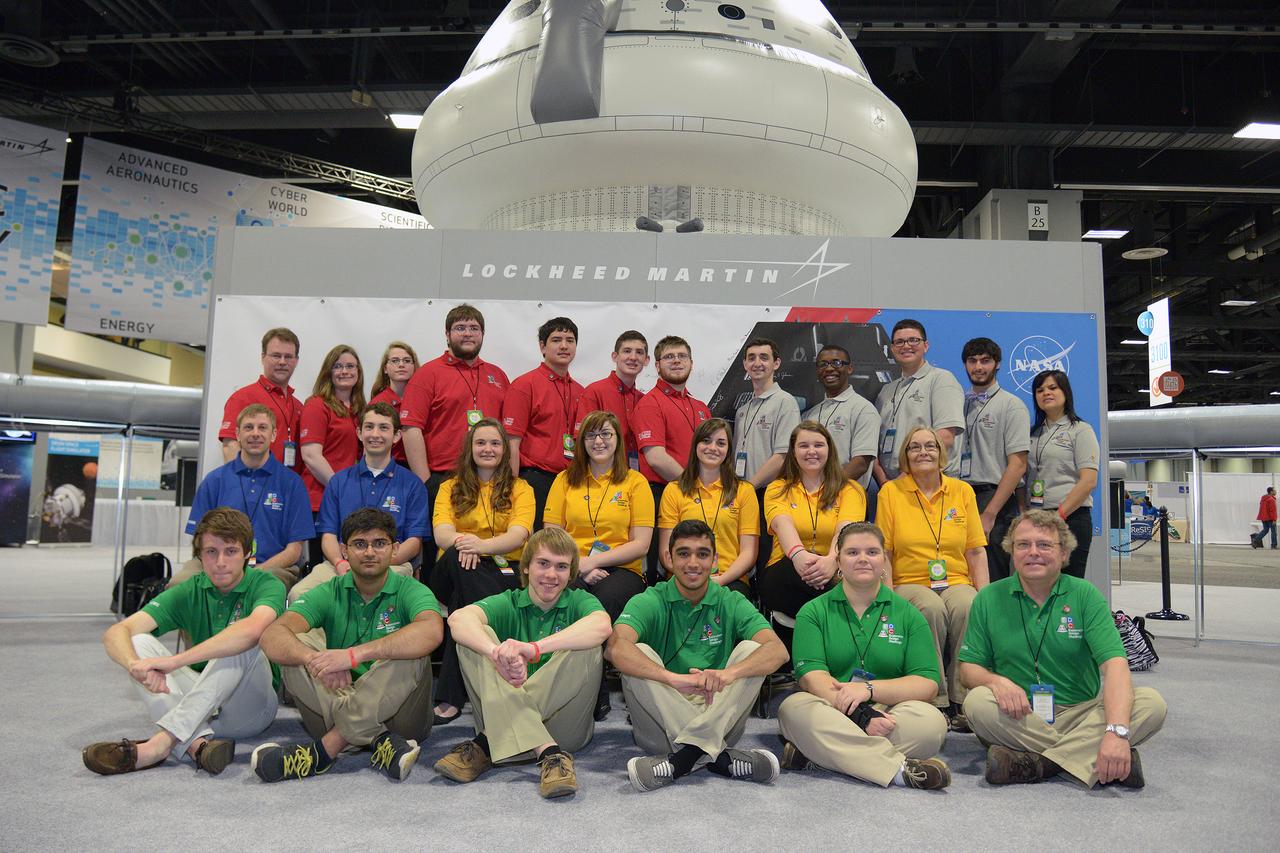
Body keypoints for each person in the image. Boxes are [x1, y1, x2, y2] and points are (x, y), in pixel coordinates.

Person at [959, 509, 1167, 788]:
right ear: (1012, 551)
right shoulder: (988, 598)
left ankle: (1037, 765)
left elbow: (1115, 665)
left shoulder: (1085, 595)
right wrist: (995, 681)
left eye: (1044, 545)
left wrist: (1116, 732)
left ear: (1064, 553)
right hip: (1021, 717)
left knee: (1151, 703)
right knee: (978, 703)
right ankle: (1093, 759)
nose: (1033, 552)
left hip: (1083, 714)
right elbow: (969, 669)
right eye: (1023, 545)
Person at [82, 508, 283, 776]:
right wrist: (135, 666)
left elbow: (252, 630)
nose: (220, 561)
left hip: (251, 709)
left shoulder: (267, 584)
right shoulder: (190, 589)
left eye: (231, 551)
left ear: (247, 552)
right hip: (200, 706)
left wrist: (173, 662)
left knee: (242, 639)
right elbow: (116, 632)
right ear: (199, 555)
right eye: (211, 552)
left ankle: (160, 744)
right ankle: (197, 745)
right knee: (139, 641)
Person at [254, 508, 445, 782]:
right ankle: (379, 739)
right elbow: (272, 635)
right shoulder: (330, 590)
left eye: (379, 543)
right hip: (335, 698)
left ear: (395, 549)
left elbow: (432, 631)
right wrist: (312, 659)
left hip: (402, 718)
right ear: (344, 551)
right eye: (359, 544)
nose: (369, 552)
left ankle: (325, 751)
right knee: (295, 647)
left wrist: (353, 656)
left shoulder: (410, 589)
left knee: (411, 649)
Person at [610, 519, 789, 792]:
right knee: (638, 653)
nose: (693, 563)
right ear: (669, 558)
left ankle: (683, 759)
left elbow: (778, 650)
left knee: (752, 651)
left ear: (715, 560)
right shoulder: (649, 599)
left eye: (702, 554)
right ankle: (720, 757)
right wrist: (671, 679)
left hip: (718, 710)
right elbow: (615, 648)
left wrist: (728, 674)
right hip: (661, 720)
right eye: (683, 553)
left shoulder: (730, 600)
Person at [433, 528, 612, 799]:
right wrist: (495, 653)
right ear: (526, 566)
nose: (551, 575)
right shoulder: (510, 602)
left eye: (561, 567)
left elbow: (602, 625)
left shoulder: (579, 601)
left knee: (586, 645)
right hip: (516, 723)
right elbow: (458, 620)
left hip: (562, 726)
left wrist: (534, 649)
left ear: (571, 573)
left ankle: (486, 743)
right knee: (474, 640)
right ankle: (549, 753)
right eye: (543, 563)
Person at [777, 522, 951, 790]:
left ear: (884, 560)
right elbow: (811, 678)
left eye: (872, 552)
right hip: (832, 708)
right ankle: (899, 771)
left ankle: (819, 753)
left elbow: (927, 682)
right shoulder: (812, 612)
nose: (862, 559)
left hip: (890, 710)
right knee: (793, 709)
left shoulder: (909, 614)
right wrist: (861, 715)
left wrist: (868, 691)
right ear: (838, 559)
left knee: (932, 725)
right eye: (852, 552)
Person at [543, 410, 654, 720]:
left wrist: (593, 561)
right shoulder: (565, 479)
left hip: (624, 570)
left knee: (596, 603)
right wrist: (581, 566)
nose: (599, 441)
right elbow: (552, 533)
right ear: (581, 443)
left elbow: (641, 544)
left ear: (618, 441)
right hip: (572, 566)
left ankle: (593, 689)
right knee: (566, 599)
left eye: (606, 434)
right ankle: (574, 688)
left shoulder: (635, 482)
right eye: (591, 435)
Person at [876, 425, 987, 727]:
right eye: (914, 447)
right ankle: (934, 697)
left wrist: (985, 595)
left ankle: (964, 697)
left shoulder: (962, 491)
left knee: (969, 605)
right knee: (930, 608)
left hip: (956, 579)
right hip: (909, 581)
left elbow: (976, 550)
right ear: (905, 456)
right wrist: (886, 595)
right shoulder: (891, 492)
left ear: (941, 453)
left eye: (930, 446)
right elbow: (883, 551)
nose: (923, 452)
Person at [429, 418, 535, 725]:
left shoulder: (521, 489)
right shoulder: (448, 487)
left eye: (495, 443)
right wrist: (469, 545)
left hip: (500, 571)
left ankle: (450, 697)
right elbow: (442, 535)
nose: (487, 449)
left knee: (466, 606)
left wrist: (481, 548)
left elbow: (520, 535)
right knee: (459, 561)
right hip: (452, 570)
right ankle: (507, 656)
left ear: (504, 449)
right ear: (469, 449)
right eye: (480, 443)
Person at [290, 402, 428, 602]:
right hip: (341, 565)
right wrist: (339, 562)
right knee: (299, 595)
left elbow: (414, 543)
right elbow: (328, 536)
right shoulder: (338, 482)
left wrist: (377, 562)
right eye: (369, 427)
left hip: (392, 565)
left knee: (374, 595)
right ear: (359, 433)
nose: (375, 434)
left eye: (383, 428)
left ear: (396, 436)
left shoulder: (413, 484)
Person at [170, 403, 313, 589]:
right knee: (178, 585)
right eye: (248, 427)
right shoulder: (214, 481)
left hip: (271, 568)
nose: (255, 433)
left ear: (274, 434)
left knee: (262, 590)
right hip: (217, 564)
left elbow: (294, 550)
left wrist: (255, 572)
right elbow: (198, 541)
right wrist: (222, 568)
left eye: (262, 427)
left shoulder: (292, 484)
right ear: (237, 434)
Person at [401, 304, 510, 511]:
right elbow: (410, 428)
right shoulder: (427, 374)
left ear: (483, 334)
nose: (468, 333)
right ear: (447, 334)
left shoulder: (498, 375)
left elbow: (508, 433)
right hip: (444, 478)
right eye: (460, 328)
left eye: (474, 328)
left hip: (490, 481)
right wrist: (425, 481)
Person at [759, 422, 867, 631]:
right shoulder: (777, 488)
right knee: (841, 593)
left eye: (818, 445)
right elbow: (783, 525)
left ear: (829, 449)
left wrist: (831, 561)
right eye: (803, 446)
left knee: (845, 583)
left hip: (835, 570)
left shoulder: (851, 489)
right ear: (793, 452)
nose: (811, 451)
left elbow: (846, 531)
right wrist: (799, 556)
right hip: (786, 572)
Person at [631, 335, 712, 579]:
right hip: (661, 494)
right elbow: (655, 457)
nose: (676, 361)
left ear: (691, 362)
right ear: (656, 365)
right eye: (669, 357)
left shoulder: (701, 407)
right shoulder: (649, 404)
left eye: (682, 356)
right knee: (663, 568)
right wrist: (694, 487)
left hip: (696, 495)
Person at [658, 418, 759, 597]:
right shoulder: (674, 490)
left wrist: (721, 579)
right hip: (683, 576)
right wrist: (693, 576)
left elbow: (749, 552)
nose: (712, 448)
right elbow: (666, 551)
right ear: (696, 445)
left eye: (721, 443)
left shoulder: (744, 491)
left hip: (729, 579)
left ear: (728, 450)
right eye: (706, 441)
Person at [957, 337, 1030, 582]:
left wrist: (989, 514)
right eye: (972, 361)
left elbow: (1018, 464)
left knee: (991, 575)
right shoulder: (958, 403)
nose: (978, 367)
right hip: (957, 495)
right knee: (959, 573)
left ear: (997, 364)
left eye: (985, 361)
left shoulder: (1012, 406)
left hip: (992, 499)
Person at [503, 316, 585, 527]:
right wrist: (512, 488)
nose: (564, 346)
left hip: (571, 482)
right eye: (556, 340)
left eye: (570, 340)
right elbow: (511, 442)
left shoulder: (580, 392)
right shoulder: (525, 385)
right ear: (542, 346)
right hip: (534, 481)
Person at [735, 337, 802, 582]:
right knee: (743, 554)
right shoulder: (744, 409)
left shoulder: (785, 403)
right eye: (751, 358)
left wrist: (750, 485)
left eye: (764, 357)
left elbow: (783, 455)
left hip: (767, 494)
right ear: (744, 364)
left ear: (776, 363)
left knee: (763, 556)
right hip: (744, 494)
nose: (757, 363)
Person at [1025, 369, 1099, 578]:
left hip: (1070, 519)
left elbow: (1088, 481)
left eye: (1052, 388)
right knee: (1038, 583)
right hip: (1038, 519)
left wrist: (1059, 516)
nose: (1046, 393)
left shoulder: (1081, 430)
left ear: (1065, 392)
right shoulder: (1033, 434)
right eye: (1040, 390)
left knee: (1068, 586)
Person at [873, 319, 965, 484]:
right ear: (892, 349)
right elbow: (875, 444)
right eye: (899, 342)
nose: (906, 346)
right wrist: (884, 481)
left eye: (913, 340)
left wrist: (904, 478)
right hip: (892, 487)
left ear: (926, 346)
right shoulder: (886, 391)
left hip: (931, 484)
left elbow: (945, 437)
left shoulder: (941, 380)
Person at [299, 344, 365, 522]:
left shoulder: (359, 410)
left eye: (350, 366)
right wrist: (340, 488)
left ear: (358, 372)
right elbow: (311, 456)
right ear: (328, 372)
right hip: (319, 501)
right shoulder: (317, 405)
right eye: (337, 366)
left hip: (347, 502)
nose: (344, 371)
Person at [219, 327, 303, 466]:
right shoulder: (242, 398)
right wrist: (243, 484)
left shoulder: (299, 407)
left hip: (291, 484)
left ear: (296, 361)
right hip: (256, 484)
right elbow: (230, 446)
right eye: (276, 356)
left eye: (288, 357)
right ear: (263, 357)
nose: (282, 362)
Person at [802, 344, 879, 490]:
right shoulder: (809, 415)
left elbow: (861, 463)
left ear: (850, 368)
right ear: (817, 371)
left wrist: (826, 490)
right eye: (823, 364)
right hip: (811, 499)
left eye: (837, 363)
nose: (829, 368)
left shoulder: (863, 409)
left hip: (846, 498)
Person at [575, 330, 650, 472]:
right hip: (602, 477)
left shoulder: (644, 400)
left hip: (634, 477)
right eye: (627, 351)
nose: (633, 357)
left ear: (646, 360)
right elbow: (582, 440)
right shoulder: (594, 392)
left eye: (639, 352)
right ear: (615, 356)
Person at [369, 340, 420, 465]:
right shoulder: (378, 403)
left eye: (407, 360)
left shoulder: (422, 399)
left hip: (421, 464)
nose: (401, 365)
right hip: (389, 466)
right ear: (385, 368)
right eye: (395, 361)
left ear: (414, 366)